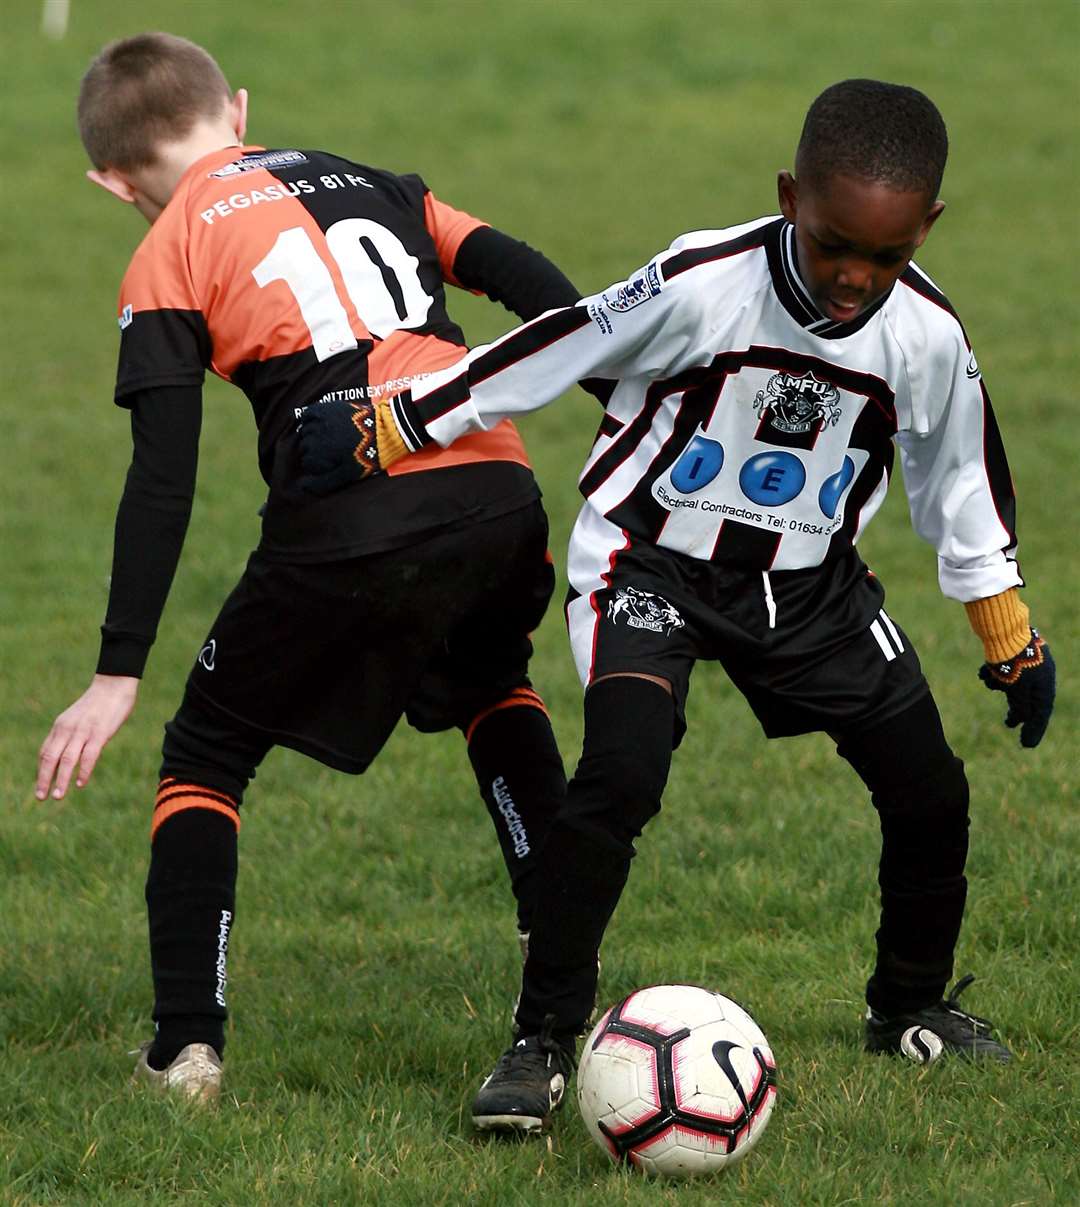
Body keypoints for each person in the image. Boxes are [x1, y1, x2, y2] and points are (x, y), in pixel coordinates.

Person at [299, 79, 1057, 1133]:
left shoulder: (926, 336)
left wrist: (1008, 637)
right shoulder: (704, 283)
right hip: (649, 563)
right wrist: (400, 422)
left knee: (931, 790)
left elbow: (962, 484)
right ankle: (543, 1038)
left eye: (883, 258)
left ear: (927, 228)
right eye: (834, 243)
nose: (852, 278)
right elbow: (562, 341)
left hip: (810, 585)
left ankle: (910, 1006)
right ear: (790, 196)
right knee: (619, 775)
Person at [35, 32, 585, 1102]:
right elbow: (536, 285)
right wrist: (628, 406)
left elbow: (161, 481)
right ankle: (567, 983)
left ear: (112, 182)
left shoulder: (166, 252)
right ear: (237, 109)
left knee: (207, 750)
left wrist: (117, 671)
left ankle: (186, 1047)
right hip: (498, 492)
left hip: (350, 513)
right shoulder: (379, 182)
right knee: (492, 687)